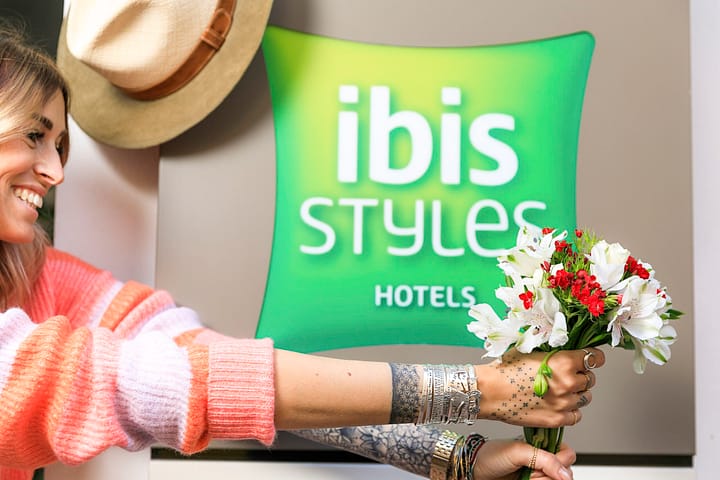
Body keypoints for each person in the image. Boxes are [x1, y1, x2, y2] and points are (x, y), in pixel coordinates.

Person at [0, 25, 605, 480]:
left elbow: (213, 365)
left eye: (60, 146)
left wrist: (455, 457)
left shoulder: (40, 276)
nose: (55, 171)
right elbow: (155, 385)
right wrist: (480, 389)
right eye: (34, 136)